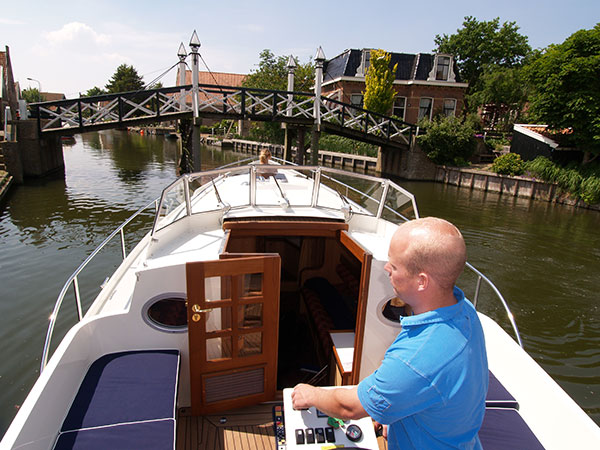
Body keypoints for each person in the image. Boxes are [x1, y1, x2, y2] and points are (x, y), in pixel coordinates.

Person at [292, 217, 488, 450]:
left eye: (394, 266)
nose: (386, 268)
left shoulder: (416, 359)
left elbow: (349, 408)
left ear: (421, 281)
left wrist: (309, 394)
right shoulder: (464, 312)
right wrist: (395, 410)